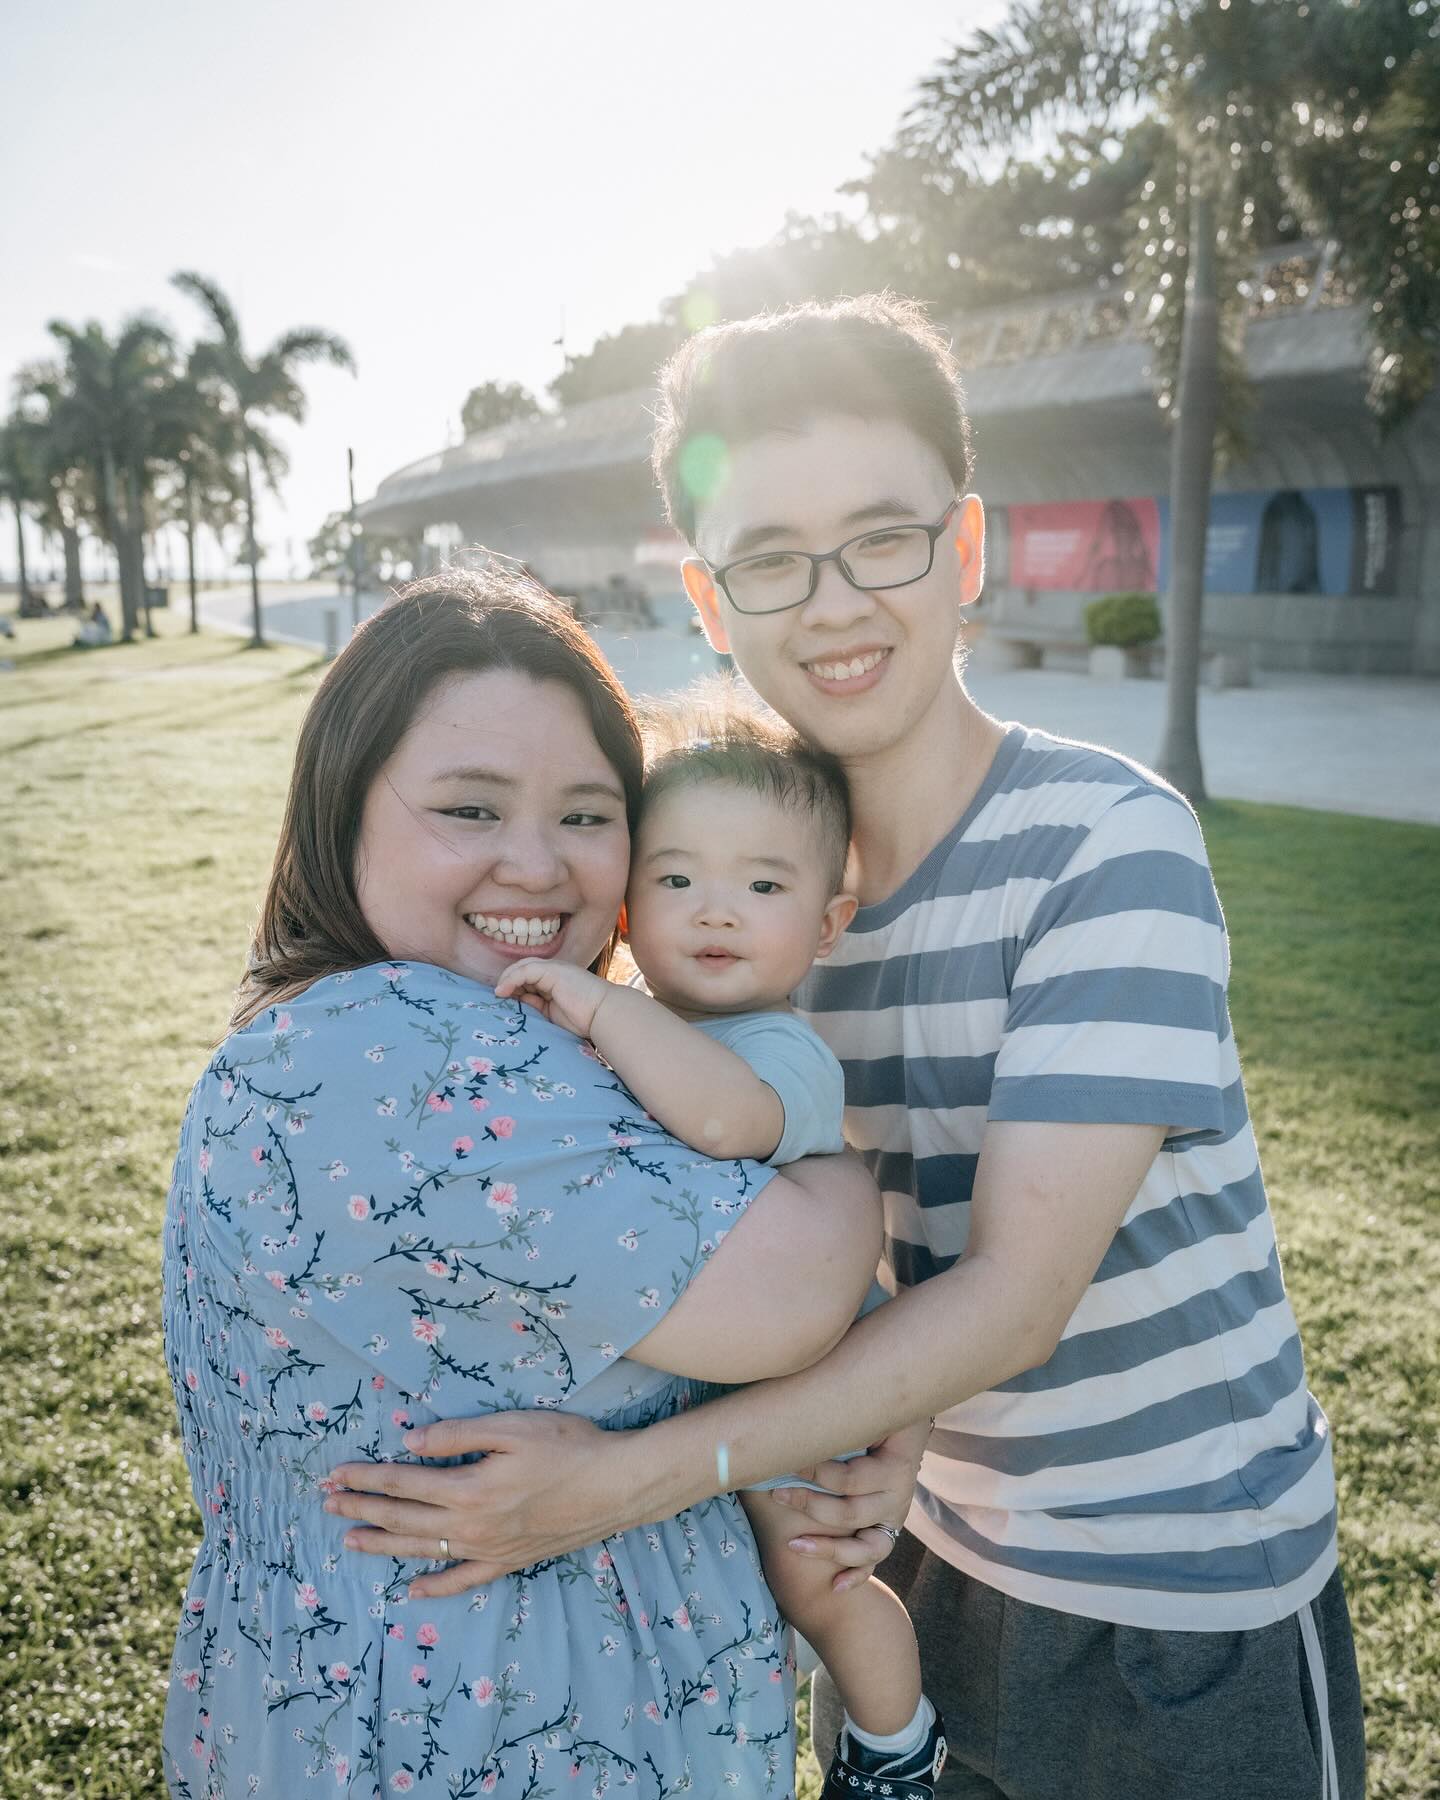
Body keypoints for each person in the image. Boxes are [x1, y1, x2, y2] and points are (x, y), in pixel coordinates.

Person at [323, 298, 1365, 1800]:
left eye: (884, 537)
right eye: (770, 559)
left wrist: (612, 1489)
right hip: (915, 1555)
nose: (831, 605)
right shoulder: (750, 911)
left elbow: (1015, 1294)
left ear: (969, 549)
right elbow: (853, 1213)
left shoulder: (1108, 845)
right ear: (707, 595)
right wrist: (902, 1420)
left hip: (1177, 1603)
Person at [160, 567, 887, 1797]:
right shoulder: (404, 1046)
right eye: (470, 810)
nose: (539, 869)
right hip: (485, 1740)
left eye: (589, 814)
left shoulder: (400, 1031)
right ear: (343, 813)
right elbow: (792, 1294)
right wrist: (844, 1182)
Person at [492, 692, 945, 1797]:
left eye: (764, 885)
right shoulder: (648, 1013)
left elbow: (722, 1124)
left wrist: (602, 1014)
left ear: (825, 927)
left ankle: (897, 1744)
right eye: (678, 877)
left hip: (819, 1375)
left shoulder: (777, 1048)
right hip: (714, 1374)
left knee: (816, 1583)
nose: (716, 911)